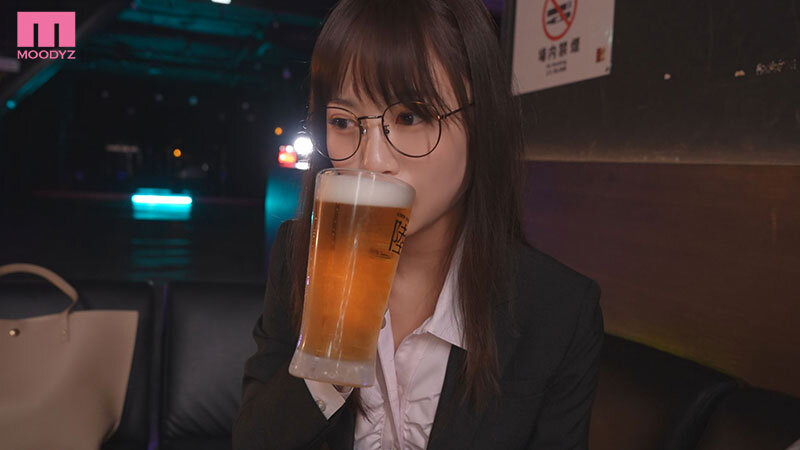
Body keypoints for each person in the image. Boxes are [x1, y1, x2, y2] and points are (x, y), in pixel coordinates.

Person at [232, 0, 604, 448]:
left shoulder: (558, 309)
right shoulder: (301, 255)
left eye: (410, 116)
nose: (372, 160)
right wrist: (329, 353)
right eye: (343, 121)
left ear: (481, 121)